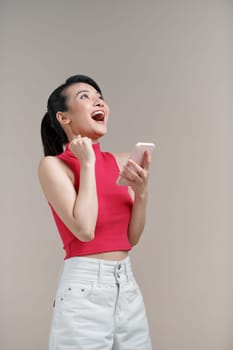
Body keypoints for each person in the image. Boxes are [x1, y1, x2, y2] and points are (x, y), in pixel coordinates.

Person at [38, 74, 153, 350]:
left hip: (126, 287)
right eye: (85, 96)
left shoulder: (123, 160)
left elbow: (131, 238)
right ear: (64, 118)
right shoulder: (53, 167)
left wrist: (142, 193)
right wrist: (87, 163)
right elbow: (85, 229)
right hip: (83, 289)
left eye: (99, 96)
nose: (98, 100)